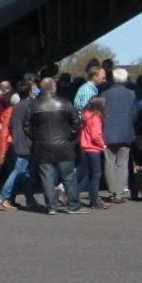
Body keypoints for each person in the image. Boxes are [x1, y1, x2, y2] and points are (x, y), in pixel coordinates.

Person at [27, 77, 79, 215]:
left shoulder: (34, 105)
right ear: (54, 87)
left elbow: (27, 126)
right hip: (63, 144)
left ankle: (51, 206)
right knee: (68, 176)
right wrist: (71, 137)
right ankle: (73, 205)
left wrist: (35, 138)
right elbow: (76, 123)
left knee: (47, 177)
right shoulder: (65, 103)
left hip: (42, 145)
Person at [101, 68, 137, 203]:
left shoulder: (105, 93)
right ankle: (120, 193)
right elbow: (135, 113)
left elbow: (101, 113)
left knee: (109, 163)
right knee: (122, 163)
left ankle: (112, 192)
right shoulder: (131, 94)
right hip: (125, 131)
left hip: (108, 132)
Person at [76, 97, 107, 209]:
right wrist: (102, 144)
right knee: (96, 175)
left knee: (87, 174)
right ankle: (94, 200)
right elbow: (96, 135)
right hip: (93, 149)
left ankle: (74, 195)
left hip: (84, 146)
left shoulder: (86, 115)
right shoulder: (96, 118)